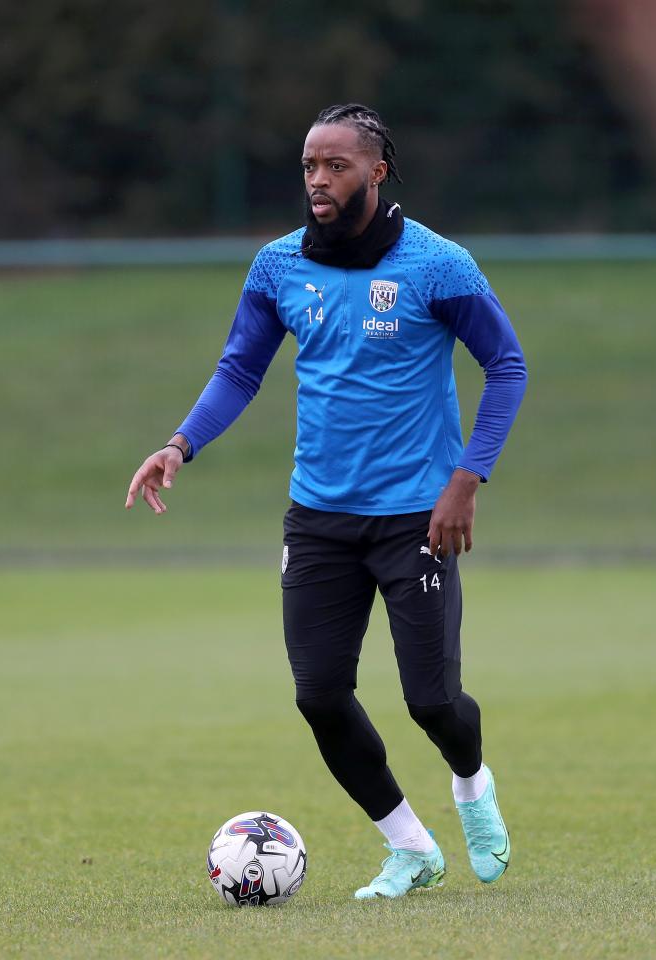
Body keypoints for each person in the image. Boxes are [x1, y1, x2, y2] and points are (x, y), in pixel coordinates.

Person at [126, 104, 527, 898]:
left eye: (335, 165)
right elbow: (241, 369)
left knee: (434, 702)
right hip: (318, 518)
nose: (318, 178)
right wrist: (179, 444)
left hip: (419, 514)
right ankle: (409, 847)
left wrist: (466, 477)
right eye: (310, 164)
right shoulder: (278, 267)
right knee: (318, 695)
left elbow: (507, 365)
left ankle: (472, 785)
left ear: (376, 172)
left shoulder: (437, 265)